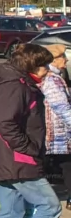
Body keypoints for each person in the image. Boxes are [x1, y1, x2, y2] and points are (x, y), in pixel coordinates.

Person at [0, 43, 60, 218]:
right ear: (32, 65)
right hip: (18, 159)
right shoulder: (16, 86)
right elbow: (4, 123)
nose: (48, 69)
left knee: (9, 213)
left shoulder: (16, 82)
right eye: (45, 64)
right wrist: (29, 148)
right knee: (50, 207)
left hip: (7, 157)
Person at [39, 43, 71, 208]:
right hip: (57, 132)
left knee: (64, 164)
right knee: (65, 164)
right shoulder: (52, 79)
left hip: (56, 131)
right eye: (62, 57)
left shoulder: (53, 76)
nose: (66, 60)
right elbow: (62, 108)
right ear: (54, 59)